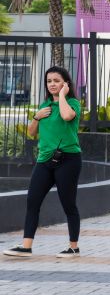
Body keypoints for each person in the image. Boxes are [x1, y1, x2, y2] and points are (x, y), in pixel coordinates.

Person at [5, 66, 83, 258]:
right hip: (44, 161)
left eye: (57, 81)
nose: (52, 84)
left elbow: (67, 116)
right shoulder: (44, 106)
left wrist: (63, 96)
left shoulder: (72, 103)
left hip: (68, 160)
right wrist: (36, 117)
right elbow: (32, 133)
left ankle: (74, 247)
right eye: (49, 81)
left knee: (68, 204)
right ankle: (26, 246)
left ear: (65, 83)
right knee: (32, 201)